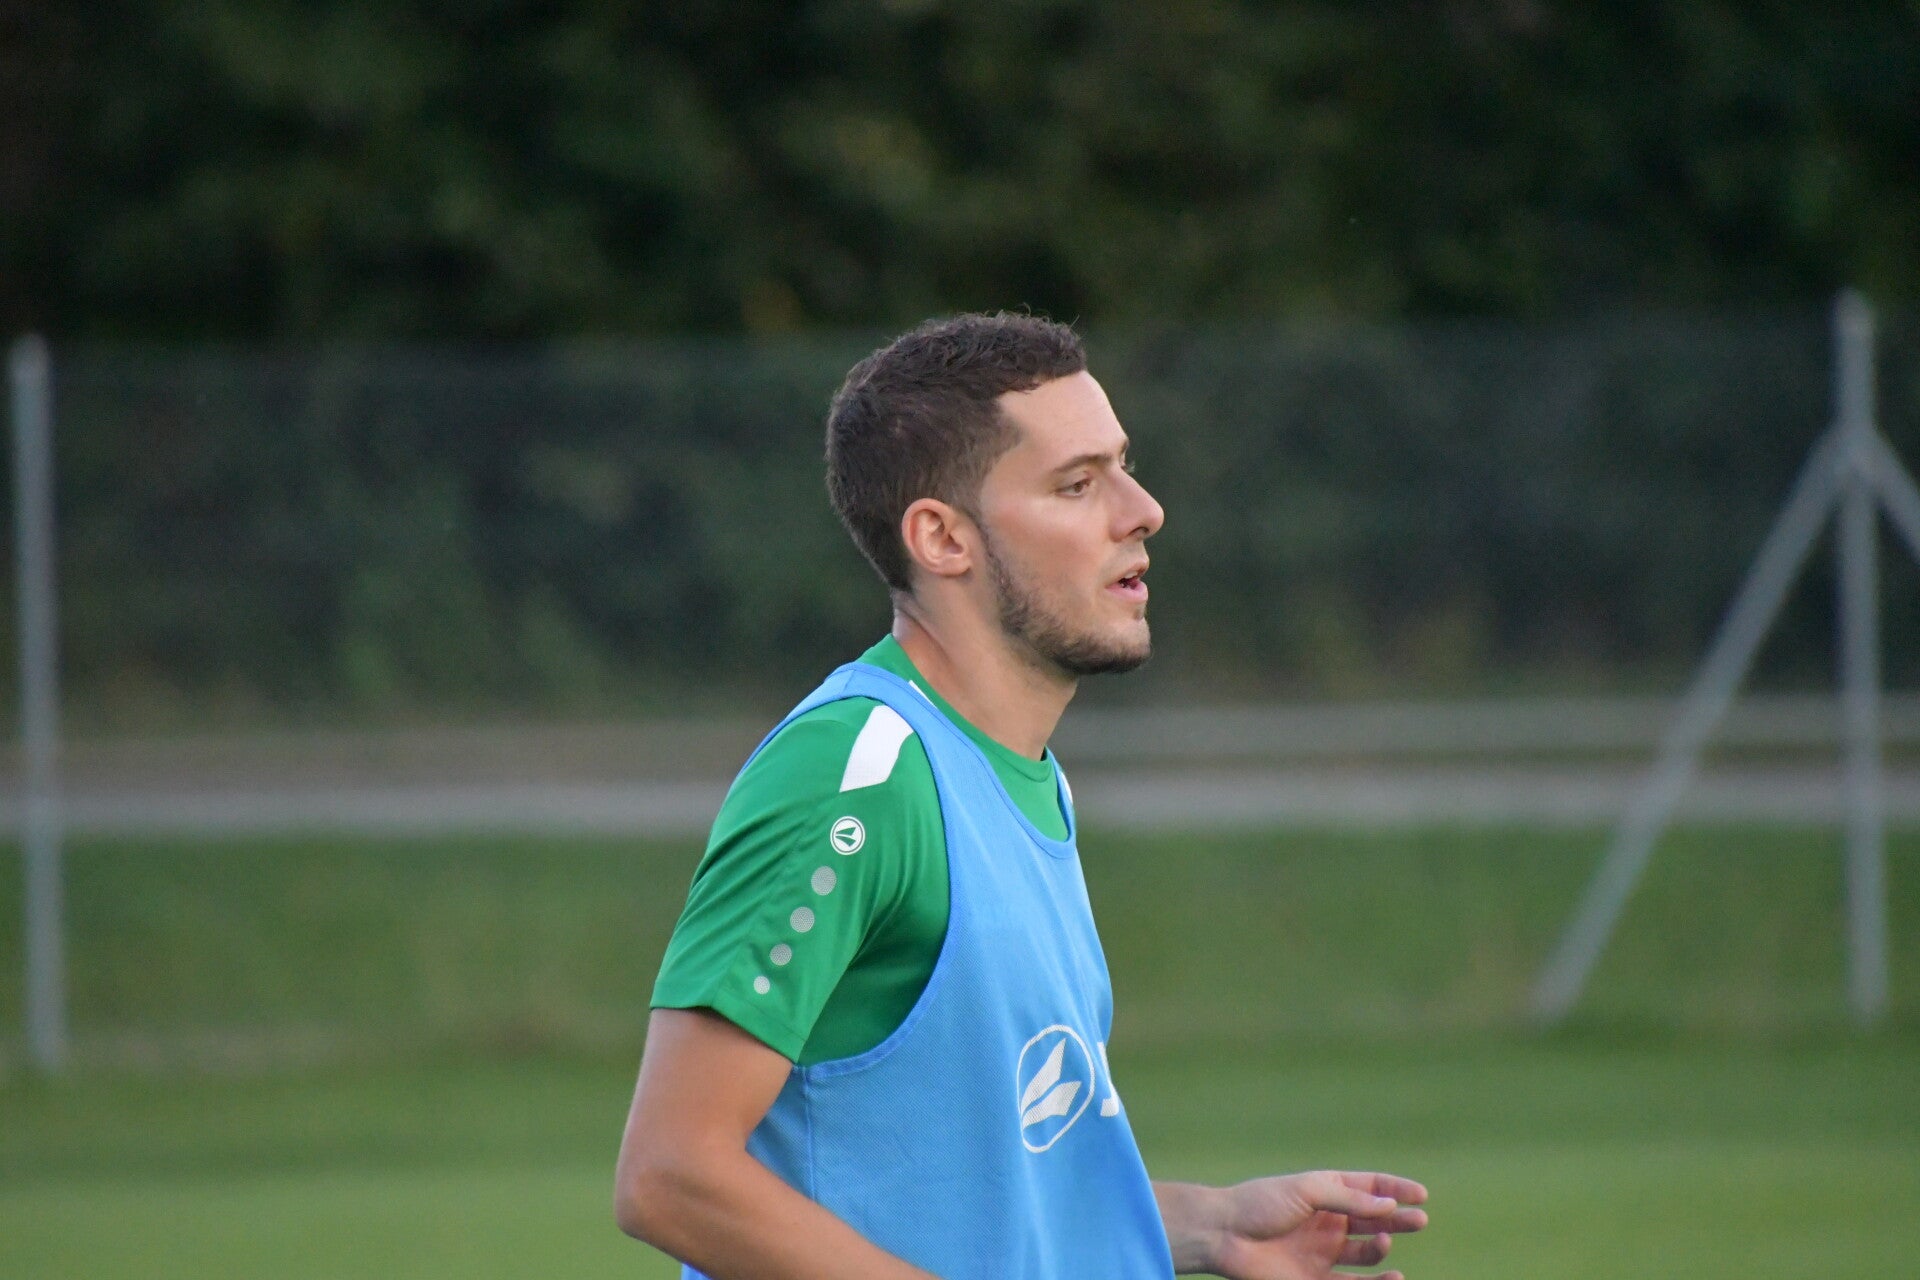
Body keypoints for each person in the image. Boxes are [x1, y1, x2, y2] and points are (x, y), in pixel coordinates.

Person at [614, 313, 1429, 1279]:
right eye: (1077, 484)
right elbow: (671, 1175)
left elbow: (982, 1184)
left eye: (1124, 467)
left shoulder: (1023, 772)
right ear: (942, 538)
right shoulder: (857, 773)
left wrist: (1213, 1226)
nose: (1143, 510)